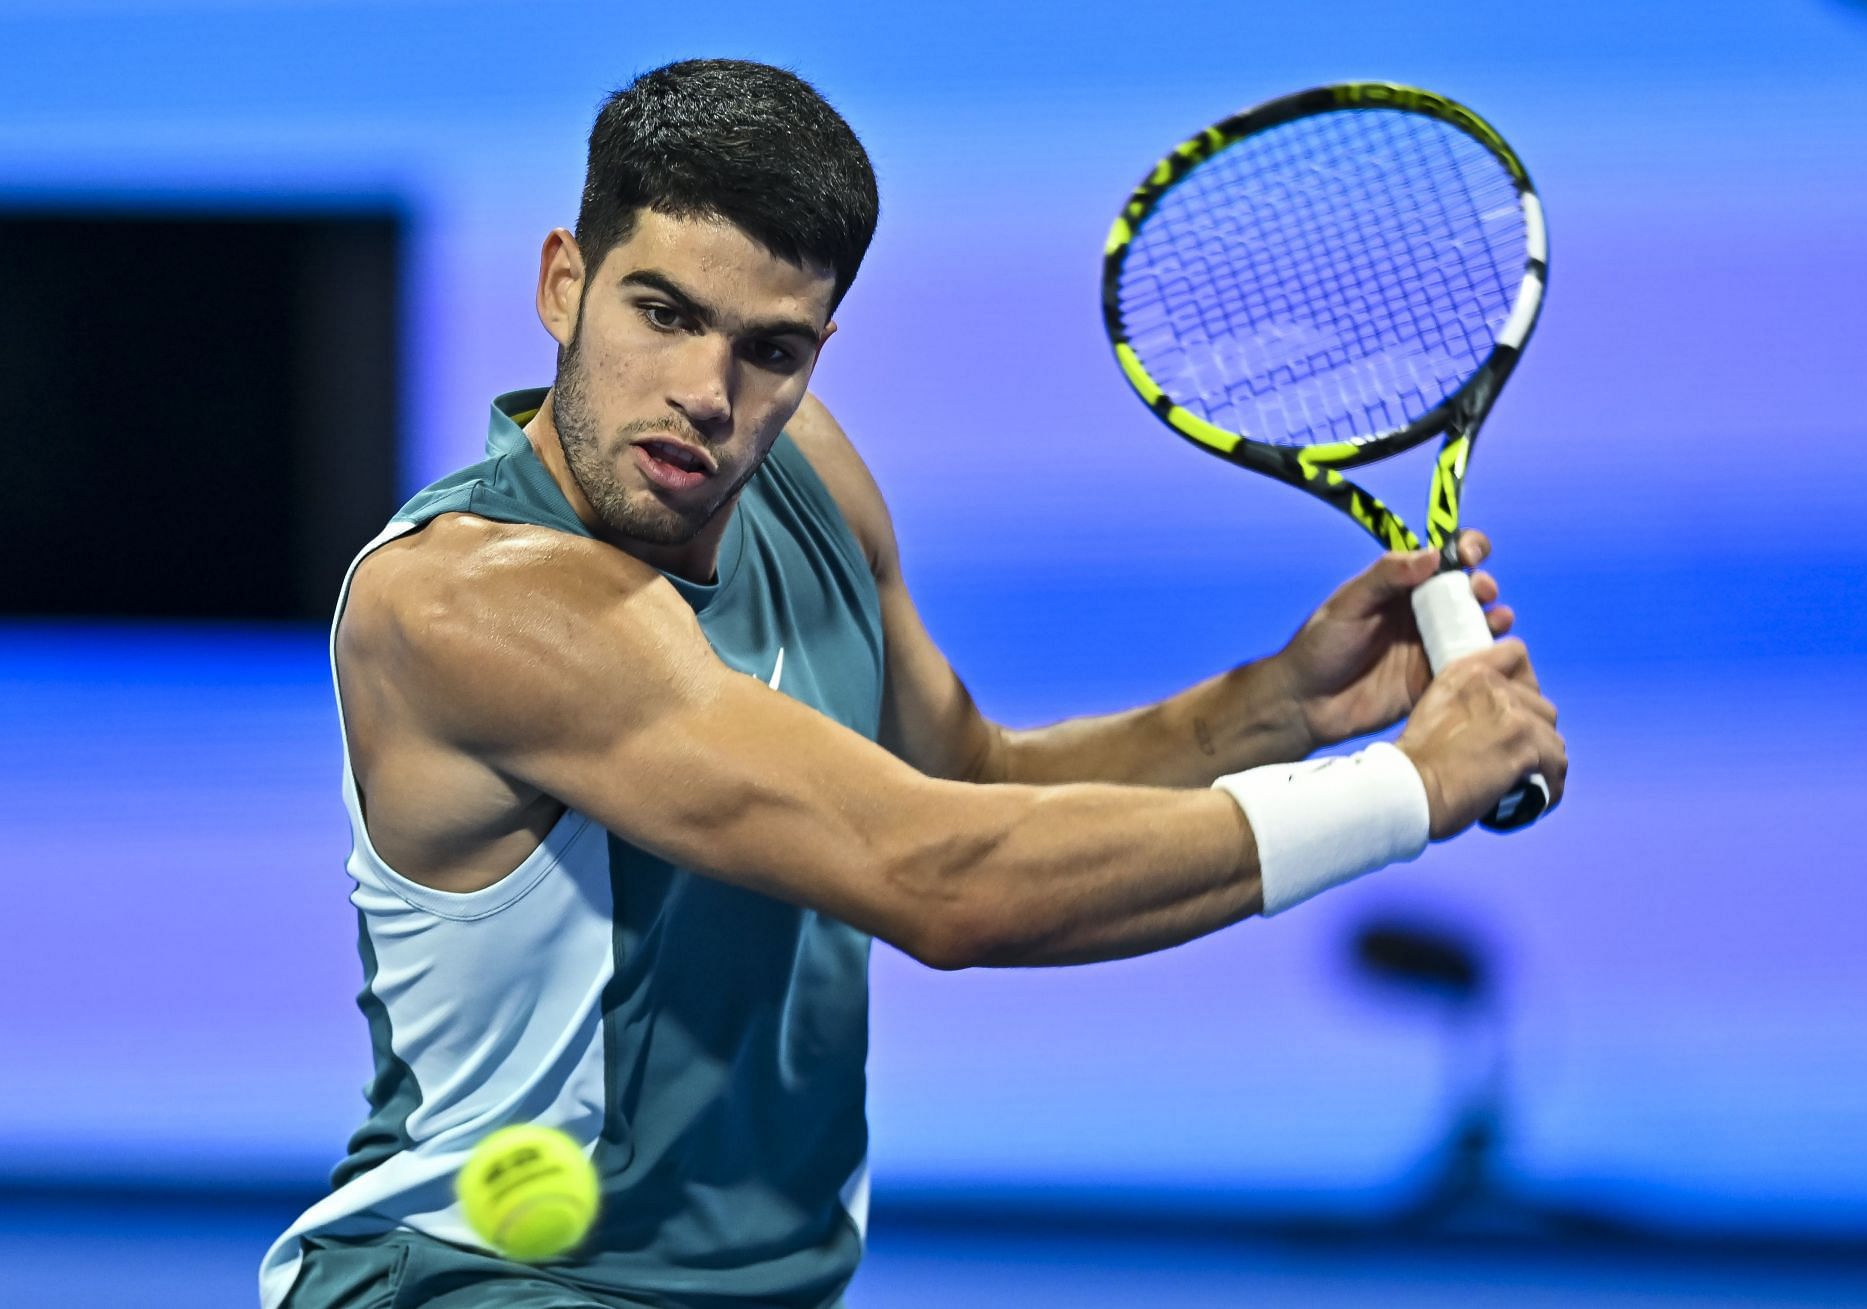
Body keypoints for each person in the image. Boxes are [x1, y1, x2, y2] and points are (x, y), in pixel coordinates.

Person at [262, 57, 1565, 1309]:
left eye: (769, 348)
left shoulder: (810, 476)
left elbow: (964, 781)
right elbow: (947, 880)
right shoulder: (470, 603)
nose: (706, 393)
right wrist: (1406, 788)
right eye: (662, 313)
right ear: (563, 283)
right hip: (481, 1283)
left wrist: (1279, 705)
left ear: (820, 350)